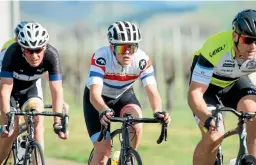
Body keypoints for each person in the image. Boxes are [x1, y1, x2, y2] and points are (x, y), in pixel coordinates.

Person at [83, 21, 171, 164]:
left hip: (123, 95)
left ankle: (127, 157)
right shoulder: (101, 57)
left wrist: (158, 111)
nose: (128, 52)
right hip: (98, 101)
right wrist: (103, 110)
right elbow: (94, 94)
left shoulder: (142, 60)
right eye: (122, 47)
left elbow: (152, 91)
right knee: (103, 153)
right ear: (112, 47)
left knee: (136, 123)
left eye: (132, 47)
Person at [188, 9, 256, 165]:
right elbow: (195, 93)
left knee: (252, 111)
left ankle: (252, 159)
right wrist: (206, 118)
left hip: (234, 82)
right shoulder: (215, 47)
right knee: (214, 135)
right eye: (248, 40)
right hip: (207, 87)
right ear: (235, 36)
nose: (253, 46)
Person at [0, 22, 68, 164]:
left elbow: (56, 90)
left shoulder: (51, 55)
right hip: (10, 90)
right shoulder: (12, 52)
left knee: (37, 121)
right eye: (29, 51)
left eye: (38, 50)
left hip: (30, 89)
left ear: (45, 47)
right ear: (22, 49)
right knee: (12, 129)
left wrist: (57, 122)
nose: (35, 55)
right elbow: (5, 90)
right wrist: (8, 119)